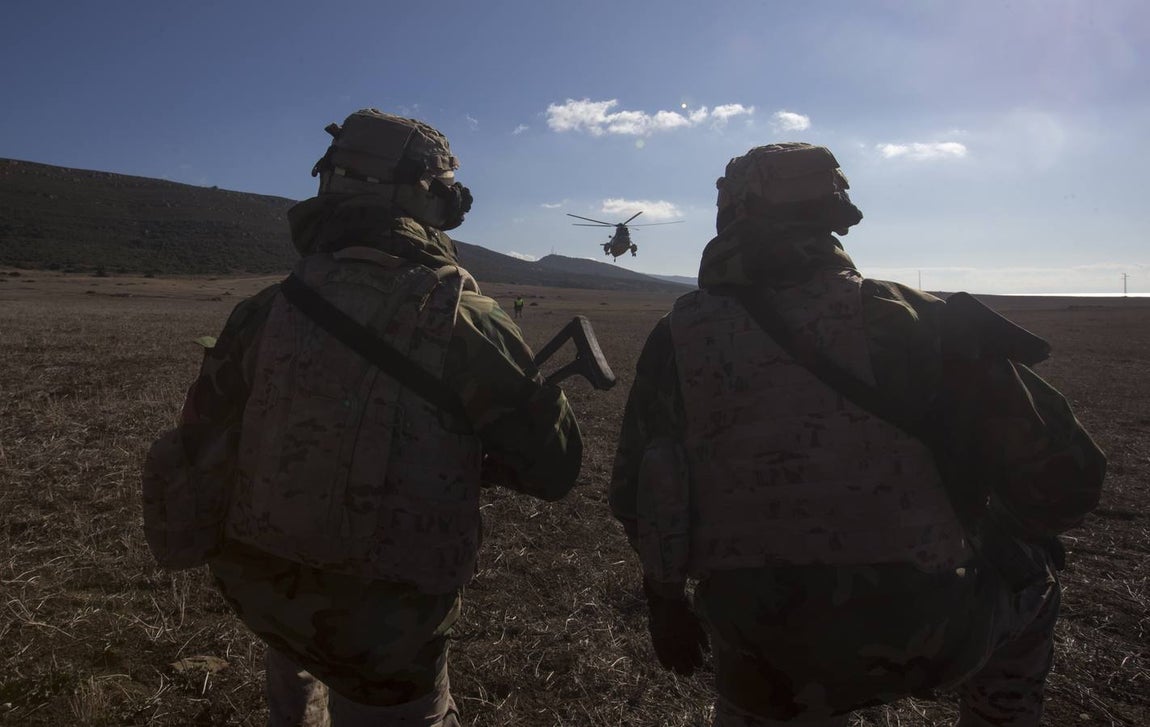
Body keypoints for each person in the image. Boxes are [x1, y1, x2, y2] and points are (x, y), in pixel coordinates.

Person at [609, 143, 1105, 726]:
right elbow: (1067, 484)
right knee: (1034, 586)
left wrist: (664, 600)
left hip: (763, 644)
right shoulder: (918, 319)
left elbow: (640, 497)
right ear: (836, 214)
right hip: (934, 628)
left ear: (733, 214)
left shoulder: (678, 337)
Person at [178, 109, 582, 726]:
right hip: (385, 628)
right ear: (425, 194)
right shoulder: (465, 316)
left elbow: (202, 439)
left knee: (296, 675)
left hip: (265, 592)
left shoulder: (264, 310)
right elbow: (553, 470)